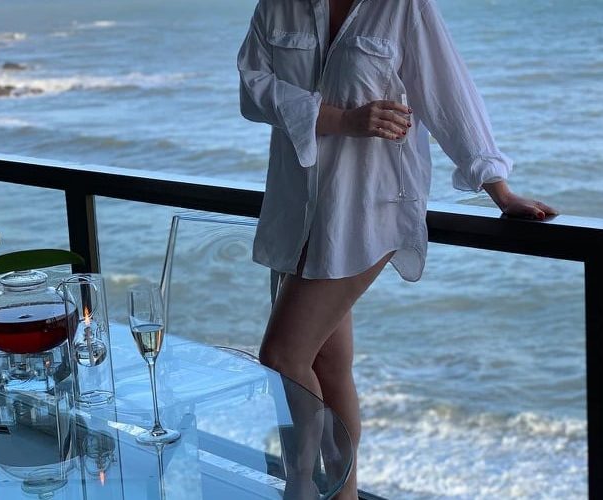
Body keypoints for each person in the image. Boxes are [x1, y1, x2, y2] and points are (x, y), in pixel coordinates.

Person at [237, 0, 557, 498]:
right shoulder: (278, 6)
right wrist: (340, 119)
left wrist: (499, 190)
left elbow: (449, 95)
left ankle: (301, 488)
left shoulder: (403, 7)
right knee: (326, 365)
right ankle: (343, 493)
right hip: (295, 209)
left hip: (368, 210)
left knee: (282, 355)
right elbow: (252, 89)